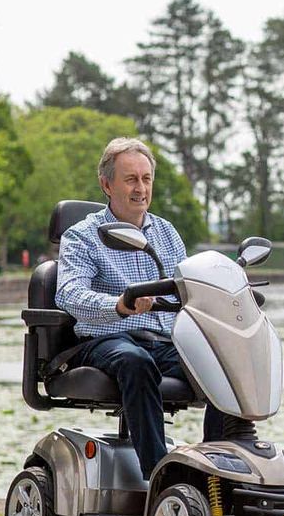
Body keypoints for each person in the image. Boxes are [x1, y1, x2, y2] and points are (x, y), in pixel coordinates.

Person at [55, 137, 229, 479]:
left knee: (226, 368)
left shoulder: (165, 232)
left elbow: (190, 287)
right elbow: (68, 294)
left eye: (146, 179)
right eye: (131, 179)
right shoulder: (82, 235)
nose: (140, 188)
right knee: (136, 361)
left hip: (163, 340)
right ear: (107, 184)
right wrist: (118, 305)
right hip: (104, 341)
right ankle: (159, 475)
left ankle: (218, 472)